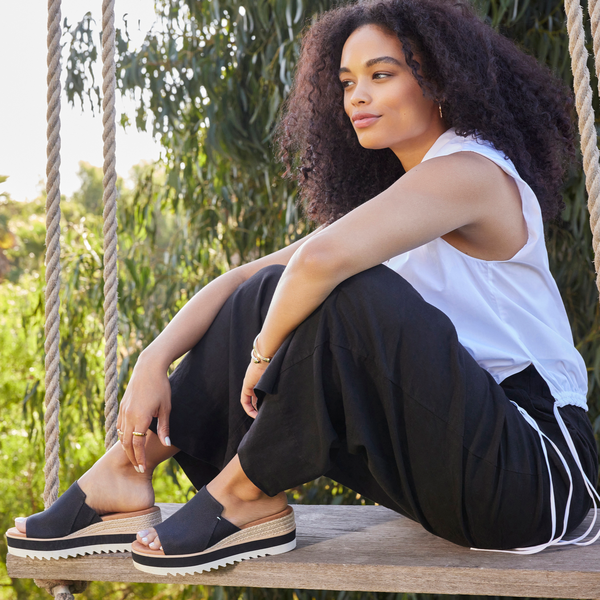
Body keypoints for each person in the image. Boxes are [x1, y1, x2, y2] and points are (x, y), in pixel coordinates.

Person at [6, 0, 600, 576]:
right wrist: (153, 358)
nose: (357, 96)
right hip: (454, 459)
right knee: (270, 291)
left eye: (381, 75)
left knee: (344, 293)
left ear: (440, 80)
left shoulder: (472, 171)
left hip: (539, 473)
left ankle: (244, 491)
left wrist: (264, 355)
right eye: (346, 82)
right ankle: (125, 470)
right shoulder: (405, 200)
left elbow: (319, 263)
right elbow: (245, 279)